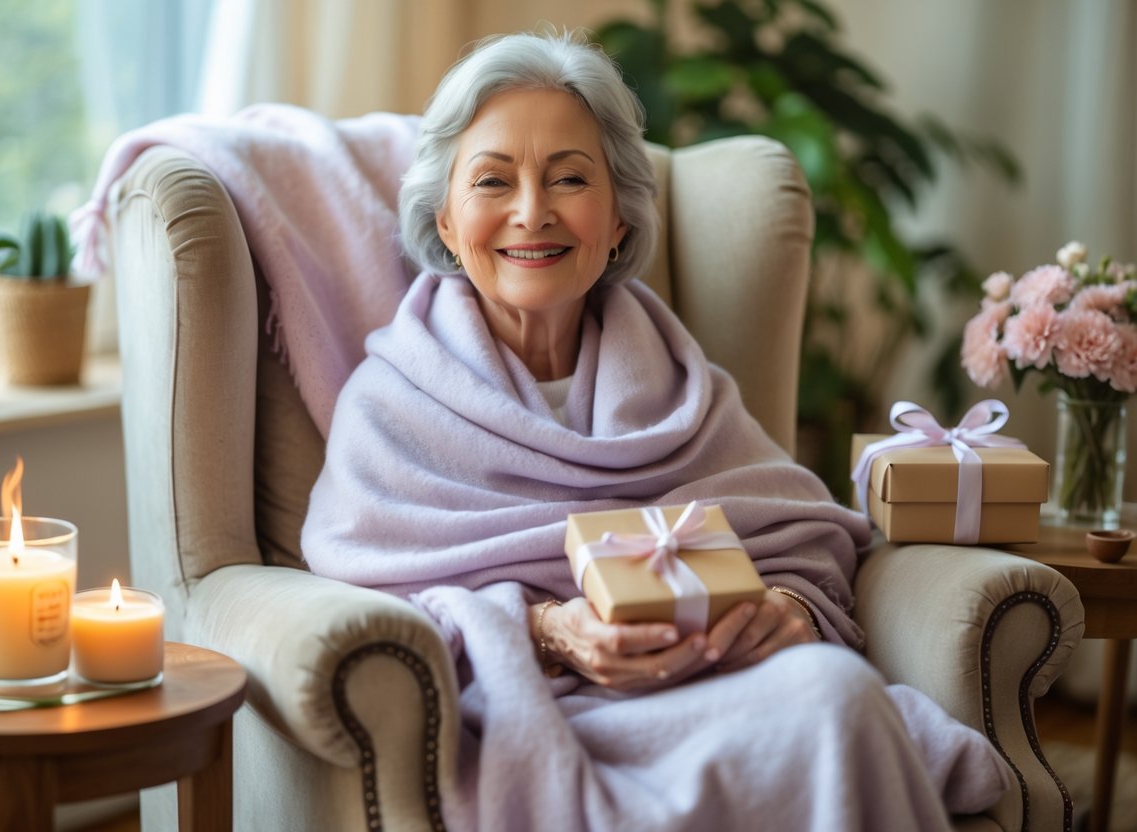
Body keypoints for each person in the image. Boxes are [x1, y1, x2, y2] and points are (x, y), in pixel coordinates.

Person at [301, 30, 1010, 832]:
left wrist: (786, 607)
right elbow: (360, 600)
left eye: (569, 178)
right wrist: (548, 631)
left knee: (836, 694)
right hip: (529, 712)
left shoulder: (684, 383)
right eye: (493, 181)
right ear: (447, 219)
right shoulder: (391, 400)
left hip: (713, 685)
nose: (531, 212)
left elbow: (802, 541)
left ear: (616, 221)